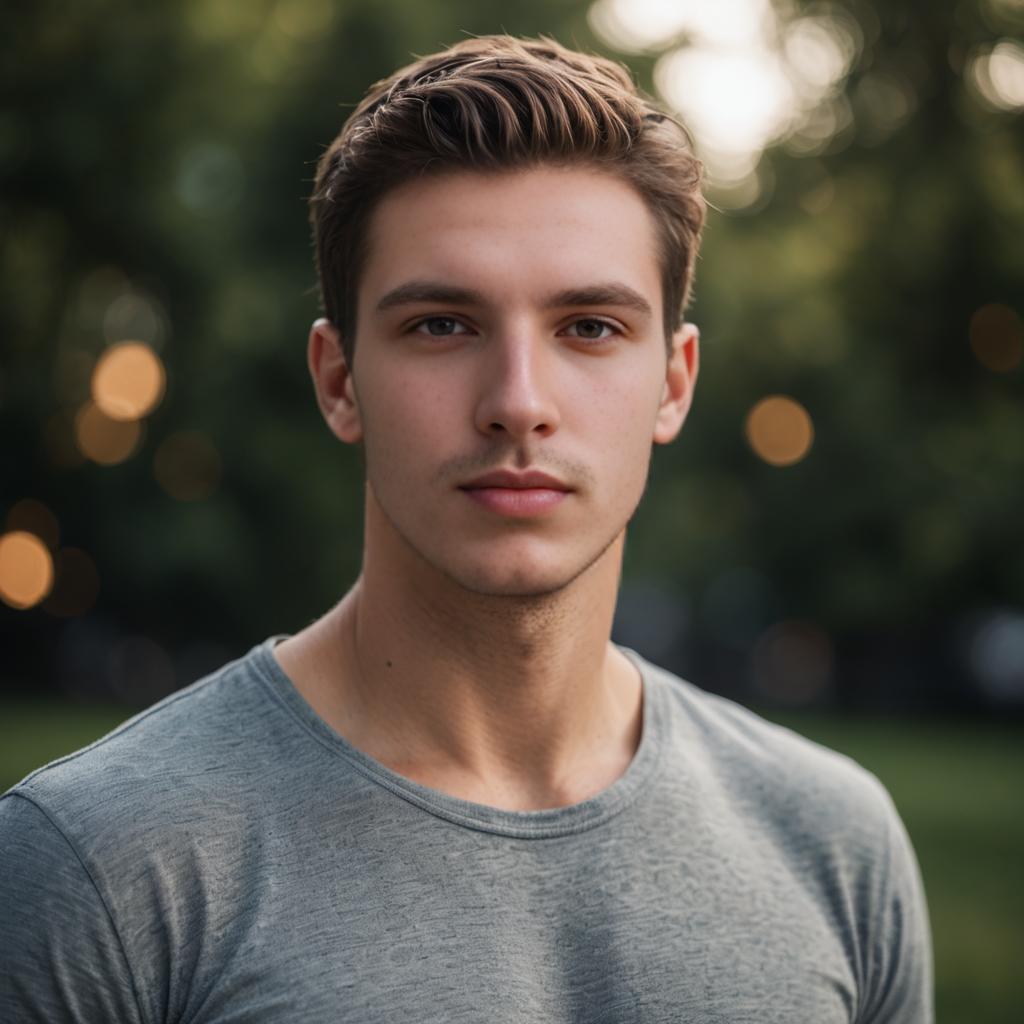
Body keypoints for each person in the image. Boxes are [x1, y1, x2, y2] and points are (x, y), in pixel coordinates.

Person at [0, 34, 933, 1023]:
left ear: (673, 382)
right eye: (442, 324)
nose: (517, 402)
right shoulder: (96, 868)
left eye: (589, 327)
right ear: (338, 380)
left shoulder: (835, 843)